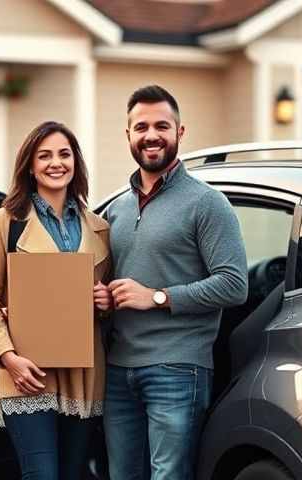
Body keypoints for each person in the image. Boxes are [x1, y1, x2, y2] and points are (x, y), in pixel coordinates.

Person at [99, 85, 249, 480]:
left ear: (180, 132)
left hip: (177, 368)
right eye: (141, 126)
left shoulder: (207, 203)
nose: (151, 135)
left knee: (169, 476)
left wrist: (159, 297)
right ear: (128, 135)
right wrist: (103, 297)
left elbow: (234, 284)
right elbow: (116, 284)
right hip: (117, 368)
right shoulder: (116, 209)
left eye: (162, 126)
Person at [0, 121, 113, 480]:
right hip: (26, 373)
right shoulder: (6, 222)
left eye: (64, 154)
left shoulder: (99, 227)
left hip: (83, 376)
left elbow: (108, 302)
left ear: (75, 162)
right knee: (42, 475)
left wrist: (106, 299)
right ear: (30, 165)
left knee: (72, 474)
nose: (56, 163)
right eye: (45, 155)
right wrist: (9, 359)